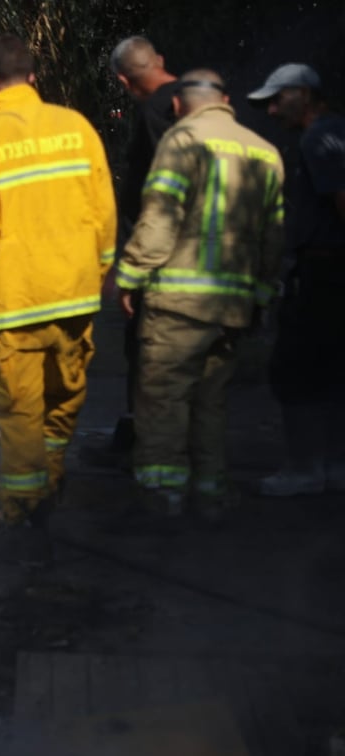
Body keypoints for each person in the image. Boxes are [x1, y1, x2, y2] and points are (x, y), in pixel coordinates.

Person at [0, 33, 117, 563]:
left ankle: (24, 517)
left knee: (19, 414)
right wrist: (102, 270)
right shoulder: (76, 128)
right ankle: (49, 486)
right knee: (62, 403)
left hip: (19, 305)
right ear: (32, 75)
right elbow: (103, 209)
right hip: (77, 298)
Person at [115, 69, 285, 520]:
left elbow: (158, 223)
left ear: (177, 105)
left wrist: (129, 277)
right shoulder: (264, 152)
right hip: (233, 307)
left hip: (179, 305)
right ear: (226, 100)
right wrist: (261, 296)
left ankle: (160, 499)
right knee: (211, 402)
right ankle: (211, 495)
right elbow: (274, 237)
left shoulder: (181, 141)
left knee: (164, 401)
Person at [247, 63, 345, 495]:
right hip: (327, 271)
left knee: (293, 368)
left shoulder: (319, 138)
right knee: (331, 368)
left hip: (324, 272)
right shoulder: (334, 132)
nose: (271, 110)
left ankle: (306, 468)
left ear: (304, 94)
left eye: (277, 99)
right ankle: (333, 465)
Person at [106, 36, 181, 454]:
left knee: (146, 353)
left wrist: (131, 269)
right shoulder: (198, 100)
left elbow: (158, 199)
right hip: (198, 257)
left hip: (160, 260)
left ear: (122, 79)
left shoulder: (156, 112)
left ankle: (147, 448)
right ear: (161, 60)